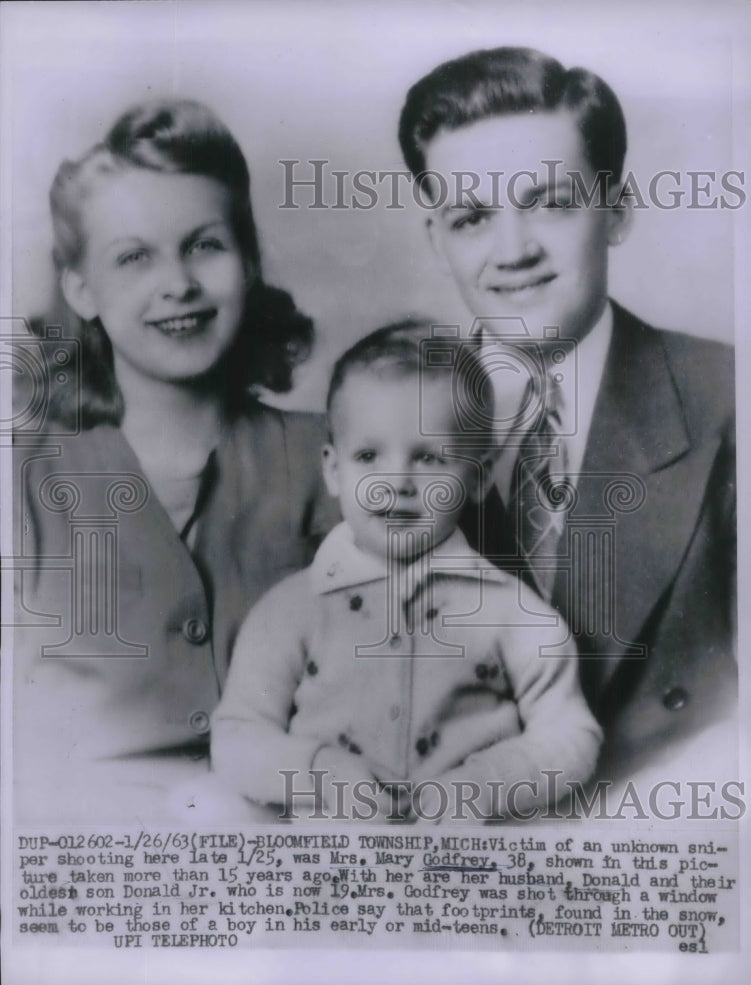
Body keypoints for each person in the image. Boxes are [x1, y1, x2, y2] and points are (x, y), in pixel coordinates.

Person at [397, 47, 736, 781]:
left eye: (549, 203)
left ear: (615, 211)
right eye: (471, 217)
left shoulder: (727, 400)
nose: (512, 251)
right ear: (436, 241)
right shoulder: (380, 424)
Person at [12, 98, 337, 822]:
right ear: (80, 288)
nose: (178, 284)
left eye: (205, 245)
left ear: (248, 260)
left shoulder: (343, 464)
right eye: (134, 257)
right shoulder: (21, 482)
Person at [210, 323, 602, 822]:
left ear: (477, 479)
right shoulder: (290, 610)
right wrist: (315, 772)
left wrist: (486, 783)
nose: (396, 483)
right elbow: (237, 737)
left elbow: (571, 735)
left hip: (471, 867)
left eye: (429, 458)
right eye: (369, 456)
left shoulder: (514, 612)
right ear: (334, 470)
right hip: (331, 870)